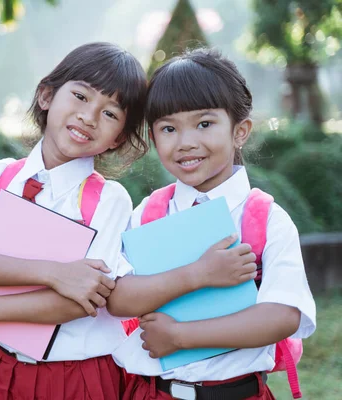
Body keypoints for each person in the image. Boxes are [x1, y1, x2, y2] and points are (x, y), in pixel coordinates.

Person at [0, 42, 148, 400]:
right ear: (47, 96)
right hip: (6, 370)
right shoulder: (0, 177)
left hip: (81, 378)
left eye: (110, 113)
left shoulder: (108, 200)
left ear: (119, 138)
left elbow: (79, 302)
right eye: (80, 96)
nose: (89, 117)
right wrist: (54, 272)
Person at [108, 48, 316, 400]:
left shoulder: (266, 219)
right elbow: (118, 298)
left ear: (240, 131)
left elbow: (282, 317)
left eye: (204, 124)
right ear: (154, 137)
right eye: (169, 128)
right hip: (152, 393)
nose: (187, 142)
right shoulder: (147, 213)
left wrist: (180, 336)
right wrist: (199, 273)